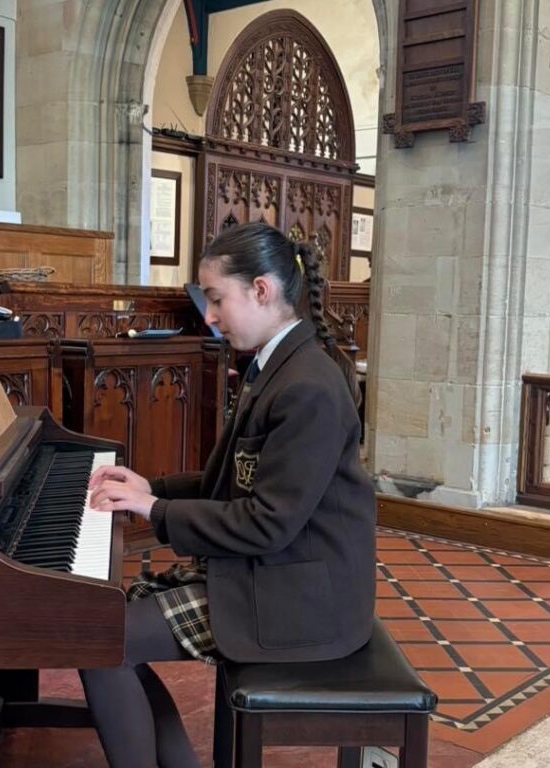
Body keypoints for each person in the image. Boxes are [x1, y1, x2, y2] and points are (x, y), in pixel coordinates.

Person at [80, 221, 377, 768]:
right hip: (276, 572)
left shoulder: (307, 386)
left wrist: (155, 510)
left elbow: (267, 523)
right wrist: (153, 488)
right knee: (106, 627)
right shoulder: (276, 365)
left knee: (100, 640)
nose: (209, 315)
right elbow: (236, 481)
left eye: (216, 299)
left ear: (261, 290)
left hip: (299, 599)